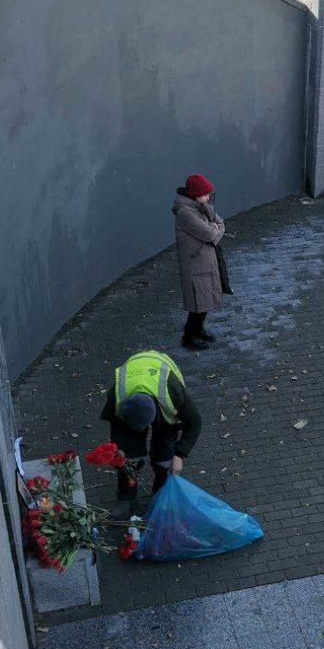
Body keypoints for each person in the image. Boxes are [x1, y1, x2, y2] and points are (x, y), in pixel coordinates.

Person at [100, 349, 202, 500]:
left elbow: (195, 423)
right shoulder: (118, 395)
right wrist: (120, 449)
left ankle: (161, 491)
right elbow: (116, 426)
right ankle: (127, 496)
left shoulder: (172, 393)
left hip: (162, 388)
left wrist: (179, 454)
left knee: (164, 453)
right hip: (135, 376)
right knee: (129, 458)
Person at [173, 174, 225, 350]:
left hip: (206, 260)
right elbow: (210, 233)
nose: (209, 197)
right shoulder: (186, 213)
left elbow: (221, 224)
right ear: (195, 194)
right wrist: (214, 230)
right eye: (205, 194)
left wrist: (214, 230)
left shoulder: (203, 207)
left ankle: (199, 329)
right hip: (195, 264)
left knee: (206, 299)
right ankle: (188, 336)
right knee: (197, 302)